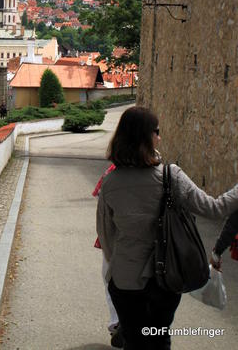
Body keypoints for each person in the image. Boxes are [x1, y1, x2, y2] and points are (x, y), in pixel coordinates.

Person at [96, 106, 238, 350]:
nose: (160, 137)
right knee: (159, 339)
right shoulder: (171, 176)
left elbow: (107, 238)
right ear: (147, 136)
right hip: (166, 279)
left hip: (125, 282)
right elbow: (214, 208)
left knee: (133, 341)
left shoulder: (109, 182)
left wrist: (122, 265)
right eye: (157, 131)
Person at [92, 164, 124, 348]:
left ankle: (118, 322)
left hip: (115, 237)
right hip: (145, 239)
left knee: (110, 279)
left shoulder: (113, 172)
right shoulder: (158, 170)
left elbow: (101, 205)